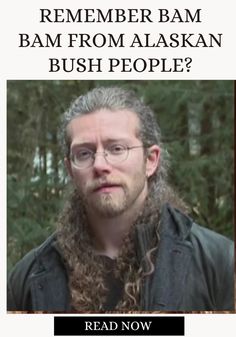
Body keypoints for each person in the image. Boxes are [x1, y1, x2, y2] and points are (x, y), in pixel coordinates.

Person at [7, 86, 234, 312]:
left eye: (117, 148)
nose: (100, 165)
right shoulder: (28, 279)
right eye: (84, 153)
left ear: (150, 160)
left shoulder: (220, 263)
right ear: (69, 170)